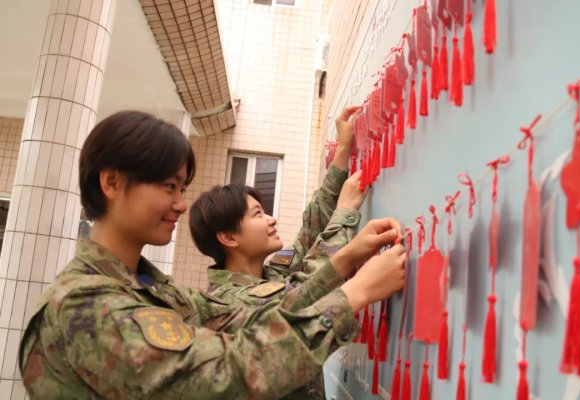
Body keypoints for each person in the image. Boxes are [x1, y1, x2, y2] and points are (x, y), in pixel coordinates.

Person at [18, 110, 407, 399]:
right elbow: (222, 376)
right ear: (112, 182)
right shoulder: (87, 304)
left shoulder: (153, 288)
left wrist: (343, 260)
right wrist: (355, 294)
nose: (180, 204)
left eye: (181, 189)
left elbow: (263, 315)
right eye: (170, 187)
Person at [189, 106, 366, 398]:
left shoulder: (268, 275)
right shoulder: (230, 304)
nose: (271, 219)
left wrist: (343, 151)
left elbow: (311, 230)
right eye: (258, 214)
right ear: (229, 237)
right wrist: (345, 212)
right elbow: (308, 287)